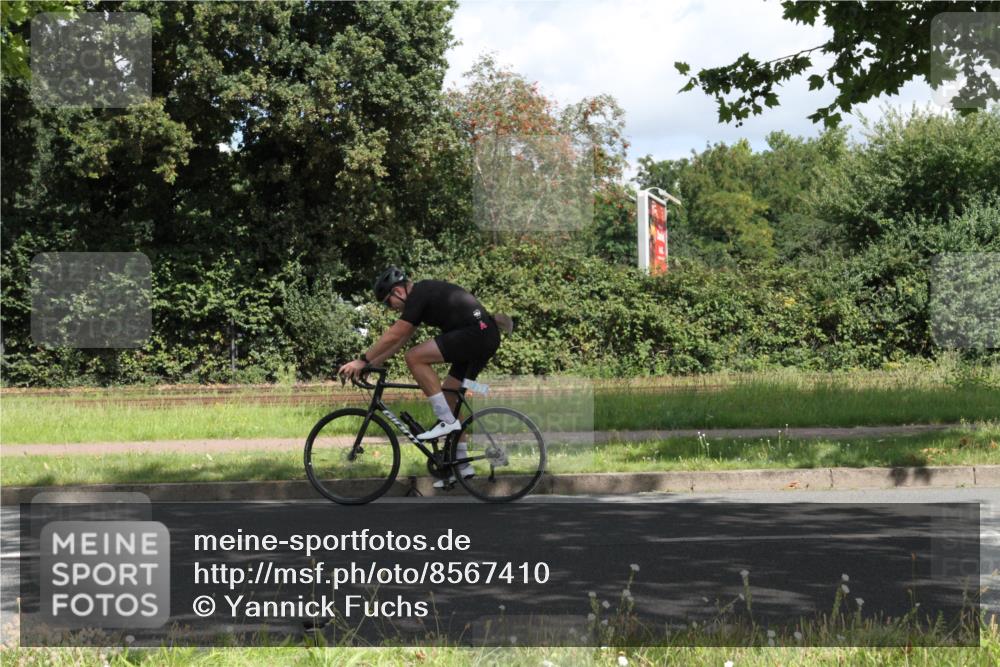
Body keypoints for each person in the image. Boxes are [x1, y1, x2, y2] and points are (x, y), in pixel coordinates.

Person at [338, 266, 511, 487]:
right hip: (483, 335)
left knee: (415, 357)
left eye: (388, 302)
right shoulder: (421, 297)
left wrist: (362, 360)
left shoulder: (419, 293)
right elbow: (399, 340)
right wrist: (371, 364)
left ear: (398, 292)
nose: (391, 309)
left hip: (476, 333)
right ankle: (461, 466)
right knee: (450, 395)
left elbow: (396, 333)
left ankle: (446, 422)